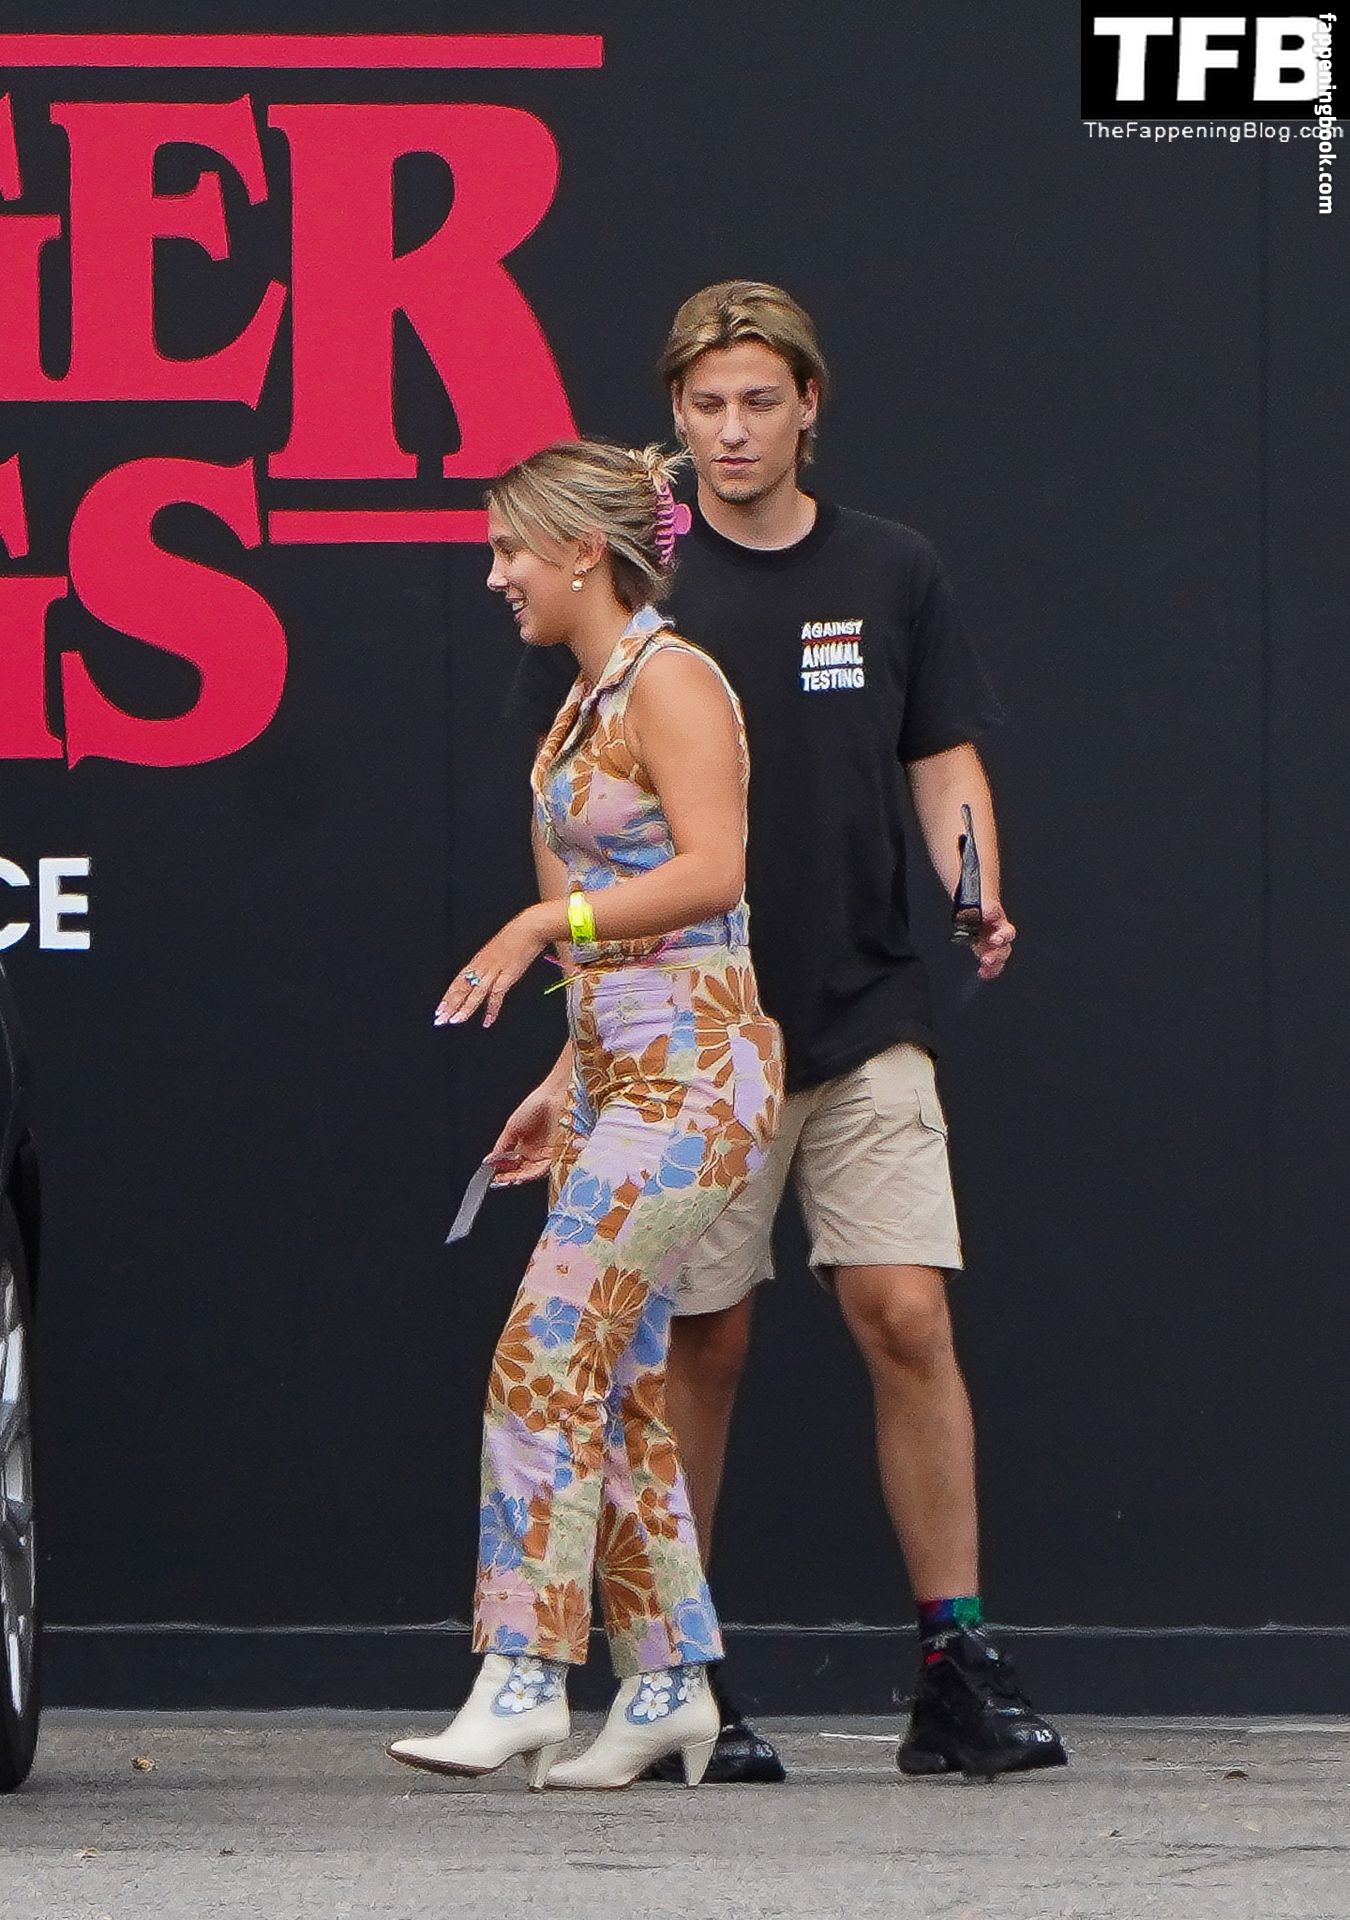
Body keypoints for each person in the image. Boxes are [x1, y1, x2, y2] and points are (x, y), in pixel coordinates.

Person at [504, 283, 1067, 1782]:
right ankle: (677, 1678)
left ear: (810, 404)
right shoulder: (634, 592)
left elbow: (938, 754)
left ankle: (956, 1662)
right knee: (703, 1341)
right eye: (707, 406)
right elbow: (575, 823)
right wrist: (573, 1050)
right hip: (692, 1036)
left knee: (906, 1313)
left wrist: (973, 885)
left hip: (865, 1007)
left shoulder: (891, 568)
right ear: (674, 418)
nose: (734, 431)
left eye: (760, 401)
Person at [386, 439, 783, 1792]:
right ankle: (668, 1686)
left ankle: (523, 1671)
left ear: (580, 552)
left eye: (511, 549)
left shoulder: (673, 679)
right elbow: (609, 936)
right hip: (619, 1080)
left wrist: (534, 922)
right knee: (612, 1383)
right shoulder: (575, 708)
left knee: (543, 1349)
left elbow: (714, 873)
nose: (495, 575)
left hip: (699, 1078)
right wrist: (561, 1084)